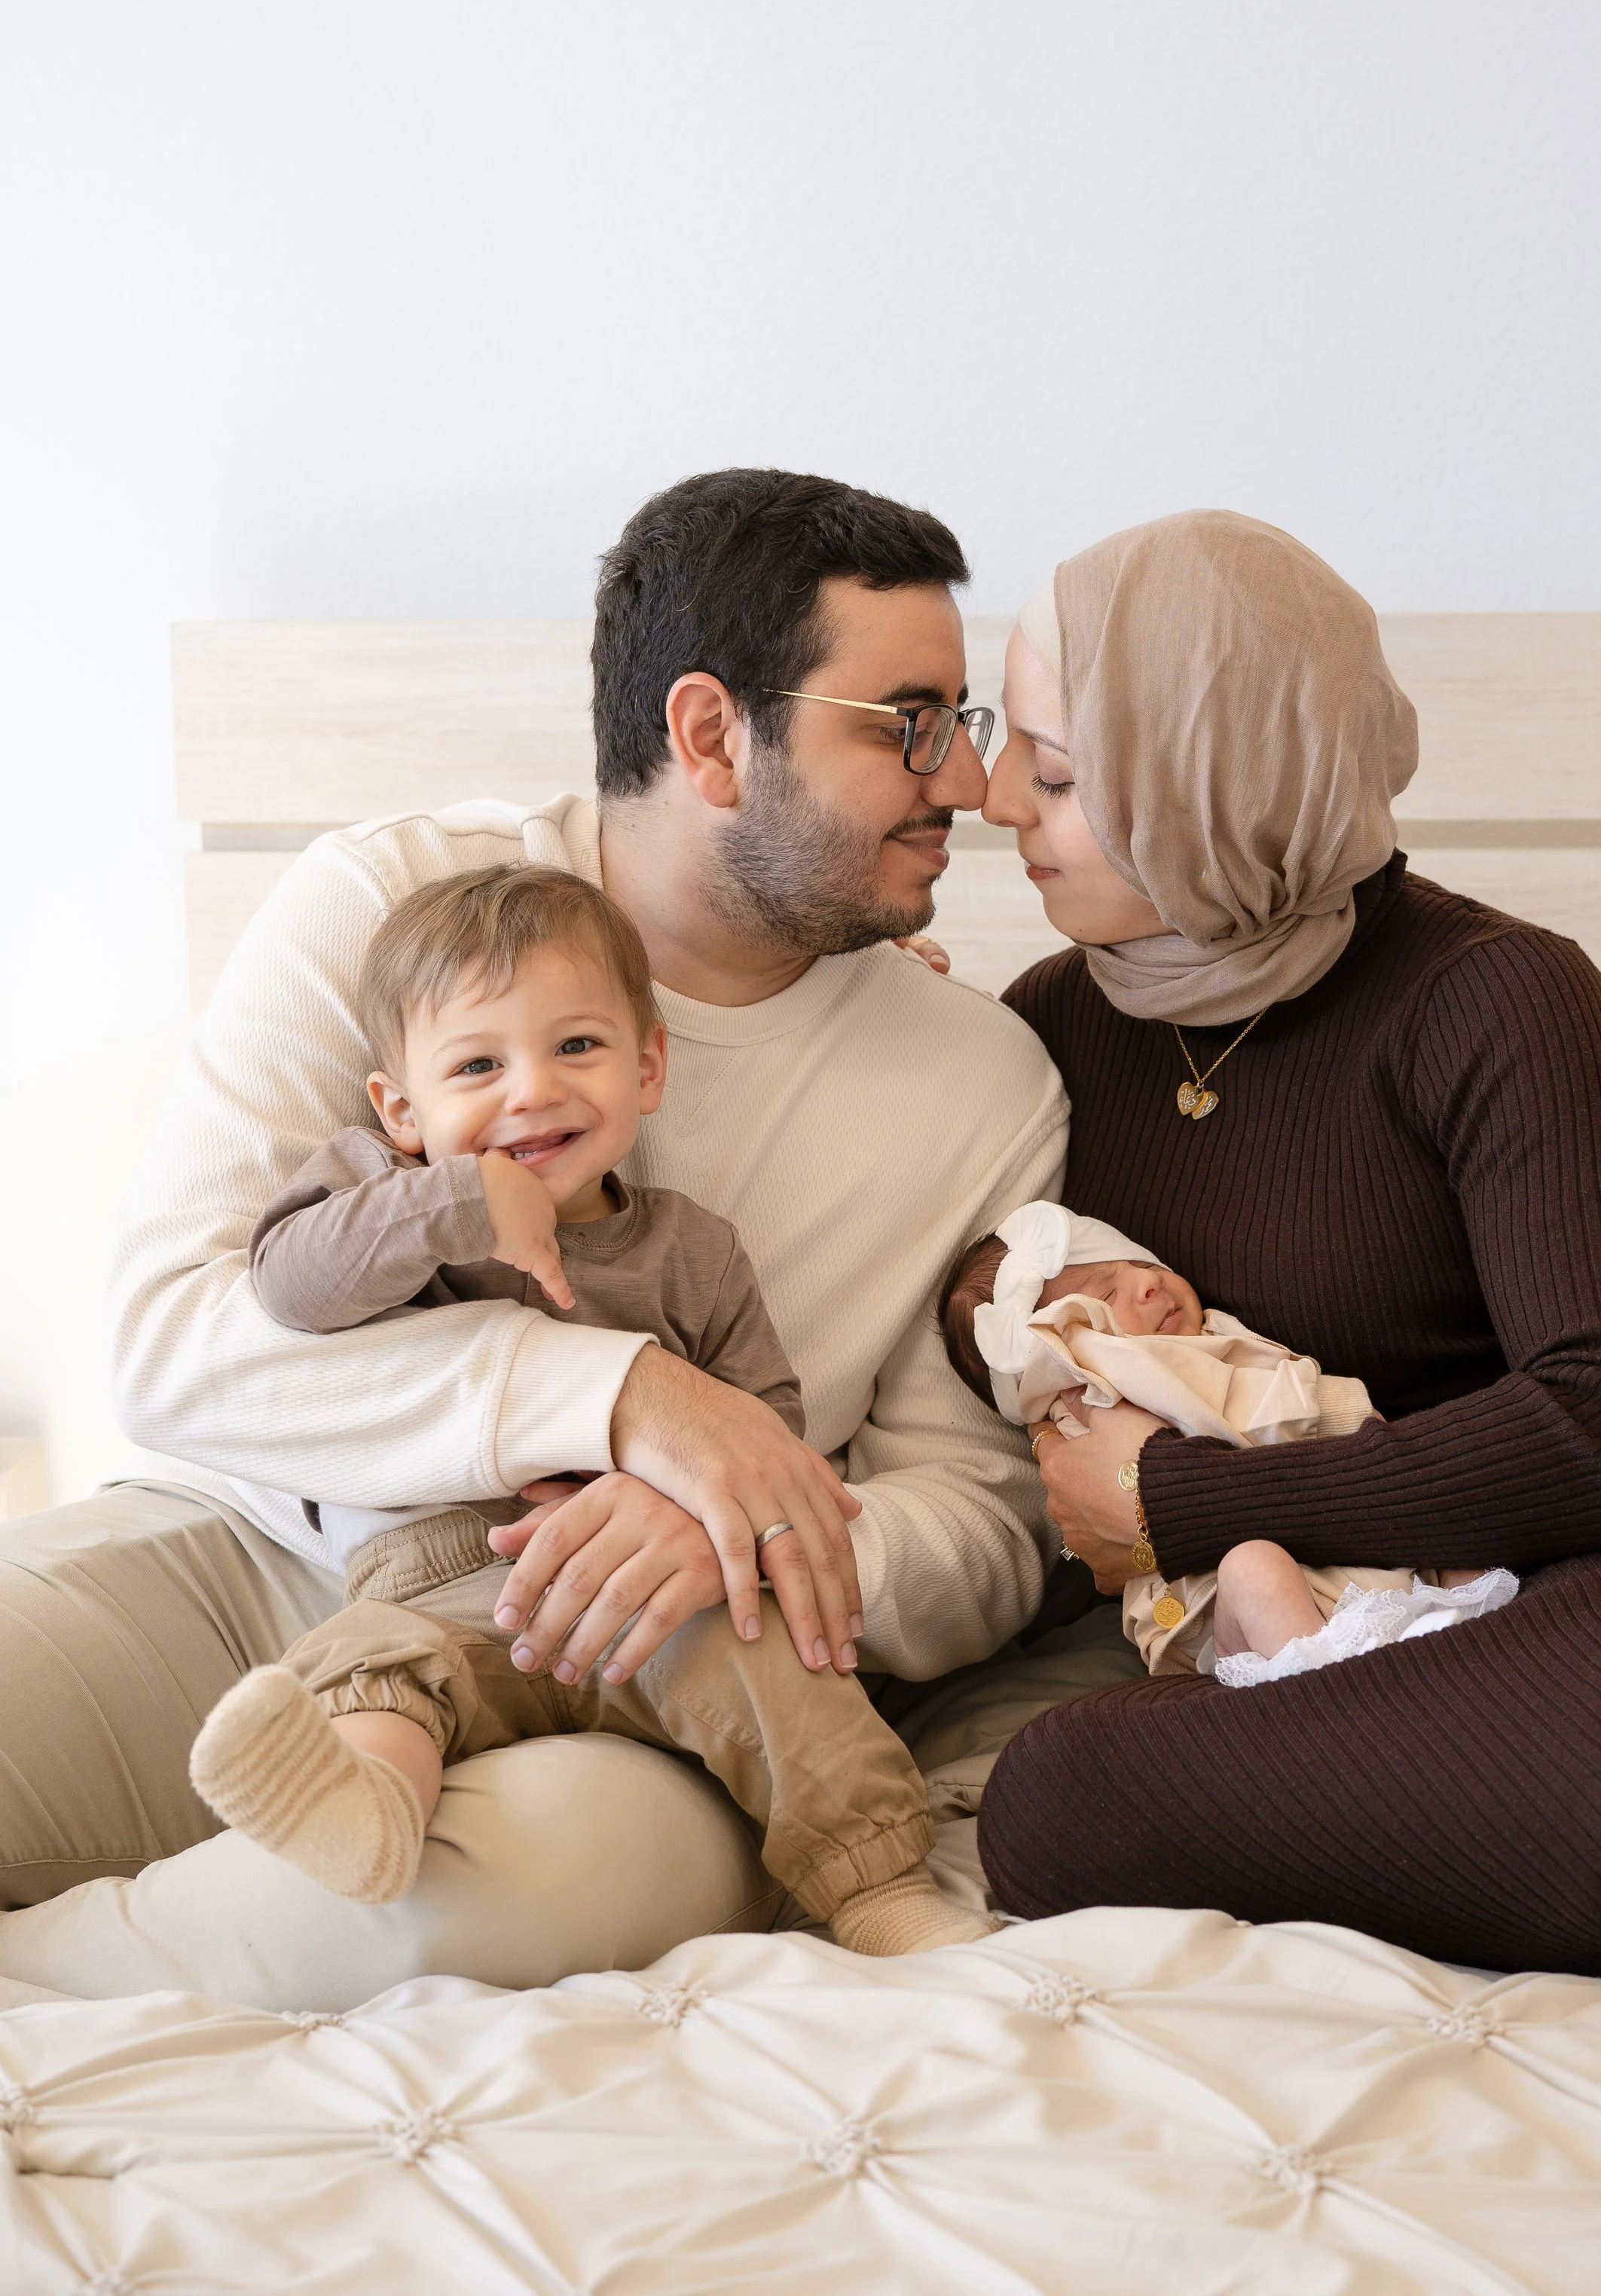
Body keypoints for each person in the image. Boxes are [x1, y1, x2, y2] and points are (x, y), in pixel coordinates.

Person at [0, 470, 1065, 2005]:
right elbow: (177, 1341)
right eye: (904, 724)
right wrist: (619, 1395)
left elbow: (980, 1537)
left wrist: (737, 1530)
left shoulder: (981, 1081)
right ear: (711, 736)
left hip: (631, 1667)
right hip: (250, 1557)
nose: (964, 784)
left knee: (518, 1895)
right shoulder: (388, 902)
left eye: (956, 724)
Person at [973, 509, 1601, 1989]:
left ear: (1216, 789)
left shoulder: (1493, 997)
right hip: (1313, 1622)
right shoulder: (1045, 1036)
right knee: (1048, 1803)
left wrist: (1177, 1497)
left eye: (1057, 773)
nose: (993, 795)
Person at [191, 863, 988, 1955]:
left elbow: (762, 1423)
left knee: (786, 1674)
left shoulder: (690, 1250)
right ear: (402, 1108)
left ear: (648, 1064)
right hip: (441, 1586)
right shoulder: (381, 1194)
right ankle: (367, 1809)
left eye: (577, 1046)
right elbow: (288, 1284)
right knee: (367, 1671)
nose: (533, 1091)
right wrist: (452, 1199)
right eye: (478, 1064)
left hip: (652, 1595)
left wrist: (710, 1517)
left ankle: (877, 1885)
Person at [940, 1198, 1508, 1677]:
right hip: (1221, 1610)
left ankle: (1471, 1634)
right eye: (1103, 1300)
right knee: (1253, 1569)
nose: (1144, 1286)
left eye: (1136, 1263)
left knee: (1460, 1520)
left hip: (1348, 1547)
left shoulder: (1206, 1333)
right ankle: (1345, 1700)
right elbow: (1241, 1415)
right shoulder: (1106, 1387)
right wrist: (1338, 1409)